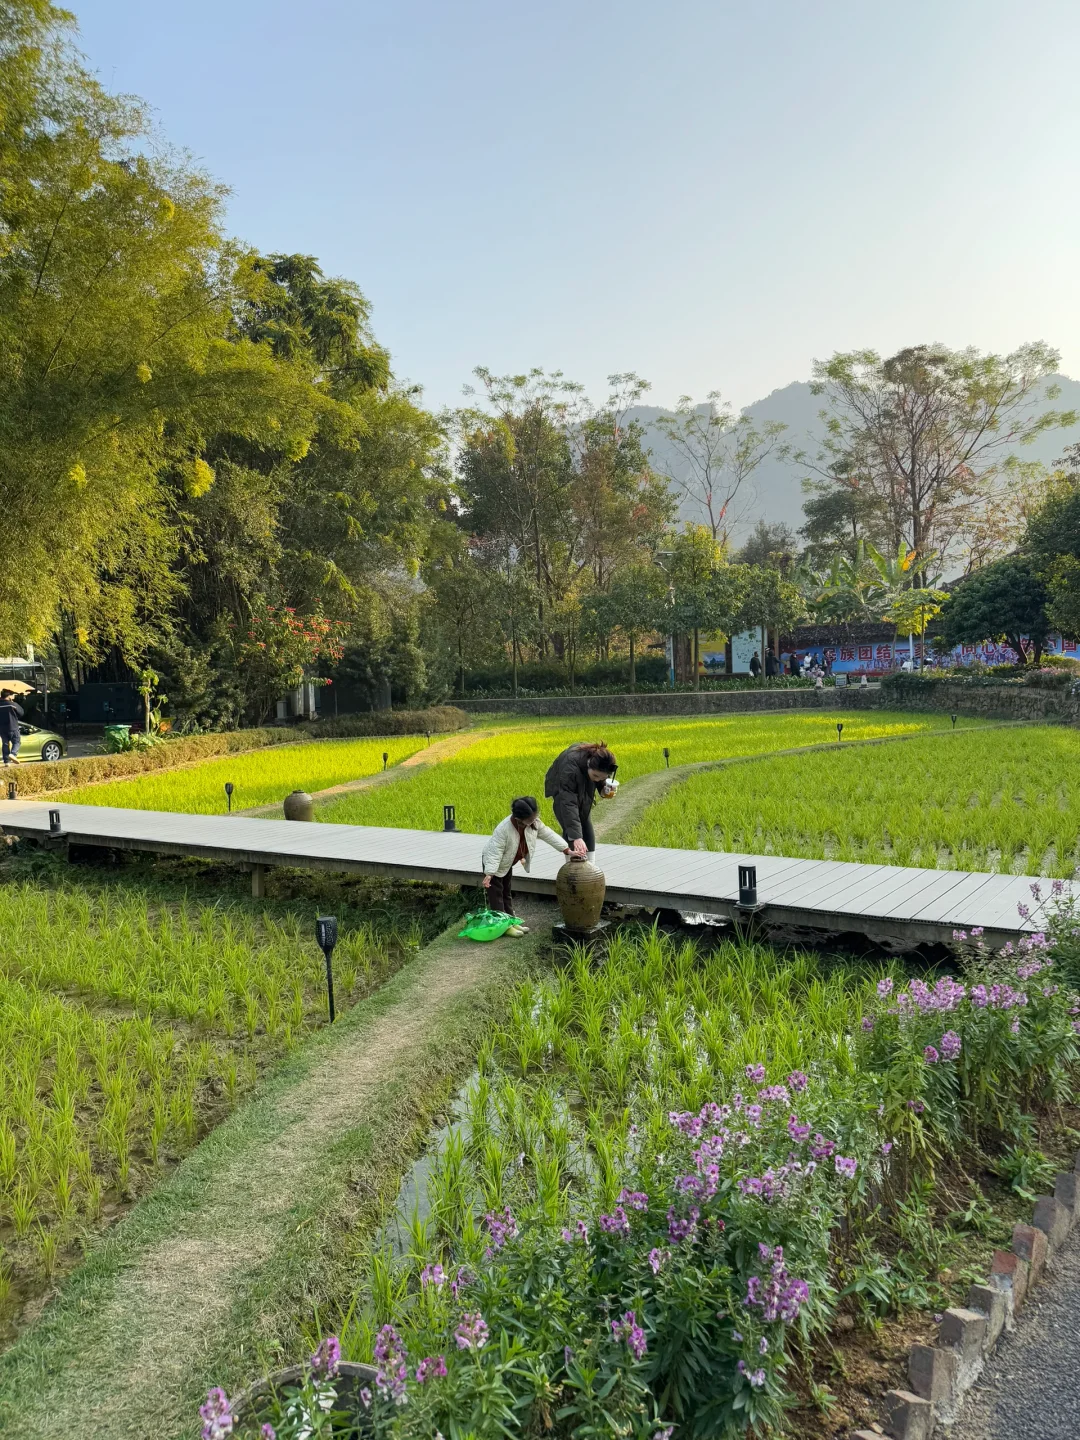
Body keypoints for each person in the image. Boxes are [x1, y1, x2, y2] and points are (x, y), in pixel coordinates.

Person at [481, 796, 569, 935]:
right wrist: (489, 874)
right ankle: (503, 927)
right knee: (496, 896)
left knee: (506, 893)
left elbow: (548, 834)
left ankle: (511, 921)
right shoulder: (503, 829)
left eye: (535, 817)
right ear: (518, 819)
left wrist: (566, 849)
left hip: (507, 862)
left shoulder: (534, 823)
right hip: (493, 864)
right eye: (530, 820)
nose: (534, 821)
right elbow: (494, 852)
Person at [544, 740, 618, 863]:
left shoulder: (599, 763)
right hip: (561, 788)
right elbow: (568, 804)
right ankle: (571, 869)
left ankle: (591, 866)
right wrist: (576, 837)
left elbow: (599, 776)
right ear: (589, 765)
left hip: (584, 777)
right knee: (571, 829)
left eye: (602, 778)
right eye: (596, 777)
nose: (598, 779)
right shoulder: (570, 768)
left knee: (585, 822)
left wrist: (603, 789)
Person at [0, 689, 24, 766]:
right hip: (12, 726)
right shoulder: (12, 704)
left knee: (5, 744)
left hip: (2, 728)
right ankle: (13, 754)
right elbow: (21, 713)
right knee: (17, 742)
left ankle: (6, 761)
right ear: (9, 696)